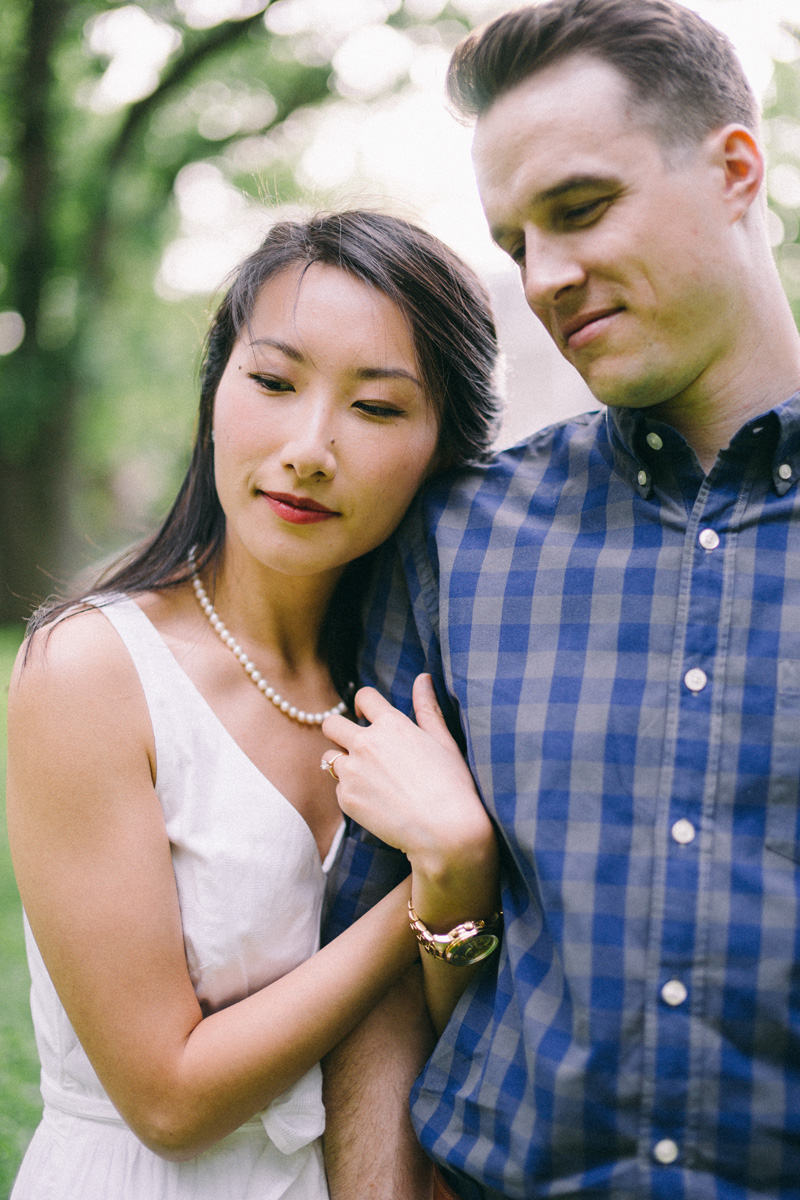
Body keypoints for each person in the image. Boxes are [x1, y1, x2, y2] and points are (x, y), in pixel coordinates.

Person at [320, 2, 800, 1197]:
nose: (543, 278)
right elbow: (371, 960)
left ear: (734, 168)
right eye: (516, 238)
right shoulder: (459, 540)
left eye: (579, 211)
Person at [5, 209, 503, 1200]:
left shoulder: (425, 701)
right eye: (273, 382)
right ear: (216, 392)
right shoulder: (94, 670)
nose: (308, 448)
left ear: (443, 449)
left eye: (375, 408)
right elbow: (169, 1097)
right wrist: (439, 877)